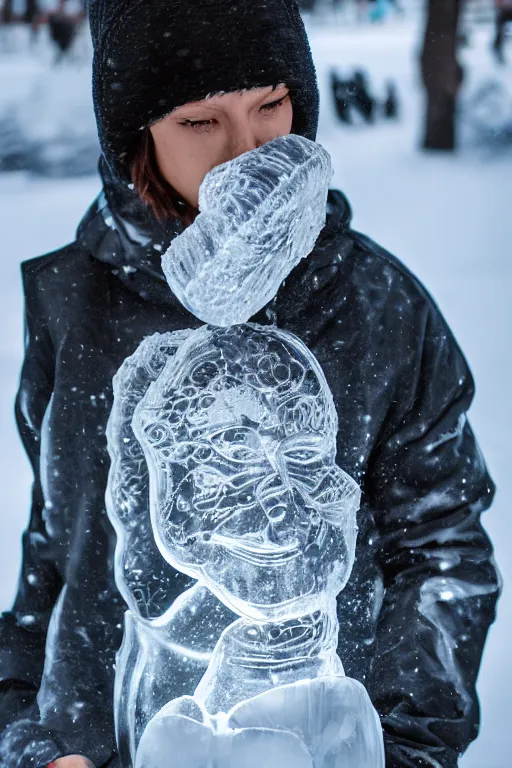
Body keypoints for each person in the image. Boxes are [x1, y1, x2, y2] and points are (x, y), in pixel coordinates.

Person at [0, 1, 499, 767]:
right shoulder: (73, 306)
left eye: (271, 104)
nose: (247, 151)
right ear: (136, 136)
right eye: (200, 122)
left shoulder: (376, 305)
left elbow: (443, 551)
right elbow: (55, 557)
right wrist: (29, 739)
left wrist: (401, 749)